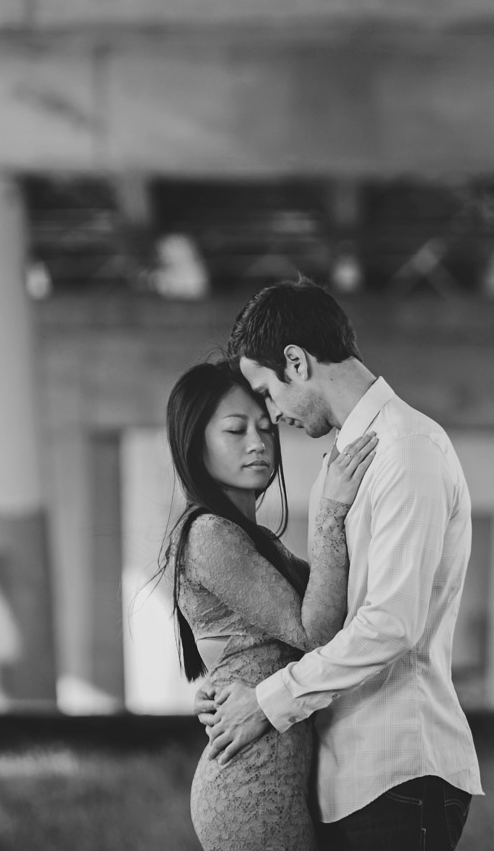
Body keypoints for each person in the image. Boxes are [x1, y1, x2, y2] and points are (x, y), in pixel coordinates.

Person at [199, 279, 483, 851]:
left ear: (297, 362)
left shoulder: (407, 449)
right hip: (351, 773)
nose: (271, 416)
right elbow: (324, 619)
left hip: (399, 769)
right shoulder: (352, 458)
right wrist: (234, 683)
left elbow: (391, 625)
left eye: (267, 393)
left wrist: (268, 699)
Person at [159, 358, 377, 851]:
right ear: (195, 443)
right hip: (249, 788)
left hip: (275, 780)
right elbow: (317, 634)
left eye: (265, 427)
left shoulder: (254, 540)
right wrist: (331, 511)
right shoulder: (211, 534)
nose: (258, 443)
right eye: (235, 430)